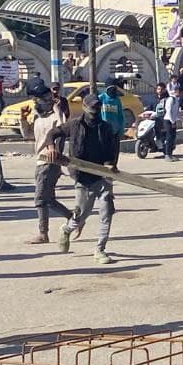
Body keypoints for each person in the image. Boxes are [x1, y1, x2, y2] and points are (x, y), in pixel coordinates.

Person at [43, 94, 119, 264]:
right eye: (91, 108)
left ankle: (100, 249)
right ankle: (67, 229)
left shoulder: (105, 128)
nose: (94, 111)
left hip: (102, 177)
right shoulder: (75, 125)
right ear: (85, 107)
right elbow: (53, 133)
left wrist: (109, 165)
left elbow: (111, 151)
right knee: (81, 215)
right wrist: (51, 148)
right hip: (82, 177)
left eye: (97, 108)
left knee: (107, 212)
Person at [19, 85, 72, 243]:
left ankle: (43, 233)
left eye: (51, 99)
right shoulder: (38, 117)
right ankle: (73, 217)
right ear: (36, 101)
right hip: (40, 160)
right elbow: (28, 135)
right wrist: (23, 119)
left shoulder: (56, 116)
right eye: (46, 100)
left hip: (50, 161)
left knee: (40, 199)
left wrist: (58, 109)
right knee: (48, 199)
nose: (49, 102)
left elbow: (64, 128)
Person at [154, 83, 180, 161]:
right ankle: (167, 155)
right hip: (167, 120)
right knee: (168, 138)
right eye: (179, 92)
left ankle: (170, 154)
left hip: (171, 120)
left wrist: (182, 119)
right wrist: (172, 122)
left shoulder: (175, 100)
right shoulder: (170, 99)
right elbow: (168, 111)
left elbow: (176, 112)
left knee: (172, 138)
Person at [98, 79, 125, 144]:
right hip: (103, 130)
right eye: (111, 88)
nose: (112, 90)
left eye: (114, 88)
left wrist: (121, 131)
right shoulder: (101, 98)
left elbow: (121, 116)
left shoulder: (117, 100)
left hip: (114, 131)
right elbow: (97, 114)